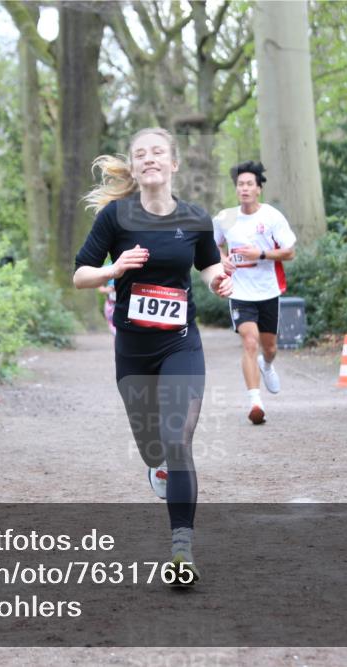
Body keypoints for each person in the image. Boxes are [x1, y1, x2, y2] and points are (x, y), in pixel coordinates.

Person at [73, 128, 232, 584]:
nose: (149, 159)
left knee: (178, 439)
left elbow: (209, 264)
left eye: (158, 152)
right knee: (153, 449)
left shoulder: (195, 218)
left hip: (180, 343)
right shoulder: (116, 217)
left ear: (173, 163)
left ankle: (182, 551)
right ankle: (157, 465)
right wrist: (114, 269)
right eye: (140, 154)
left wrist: (218, 281)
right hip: (133, 351)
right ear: (135, 167)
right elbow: (80, 275)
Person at [213, 161, 296, 425]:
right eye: (240, 184)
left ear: (258, 189)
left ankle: (267, 364)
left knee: (269, 347)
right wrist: (222, 259)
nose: (245, 188)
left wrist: (260, 254)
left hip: (268, 291)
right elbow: (211, 246)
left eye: (250, 184)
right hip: (240, 292)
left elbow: (289, 252)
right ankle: (255, 403)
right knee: (249, 342)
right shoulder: (225, 218)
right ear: (236, 189)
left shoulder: (271, 216)